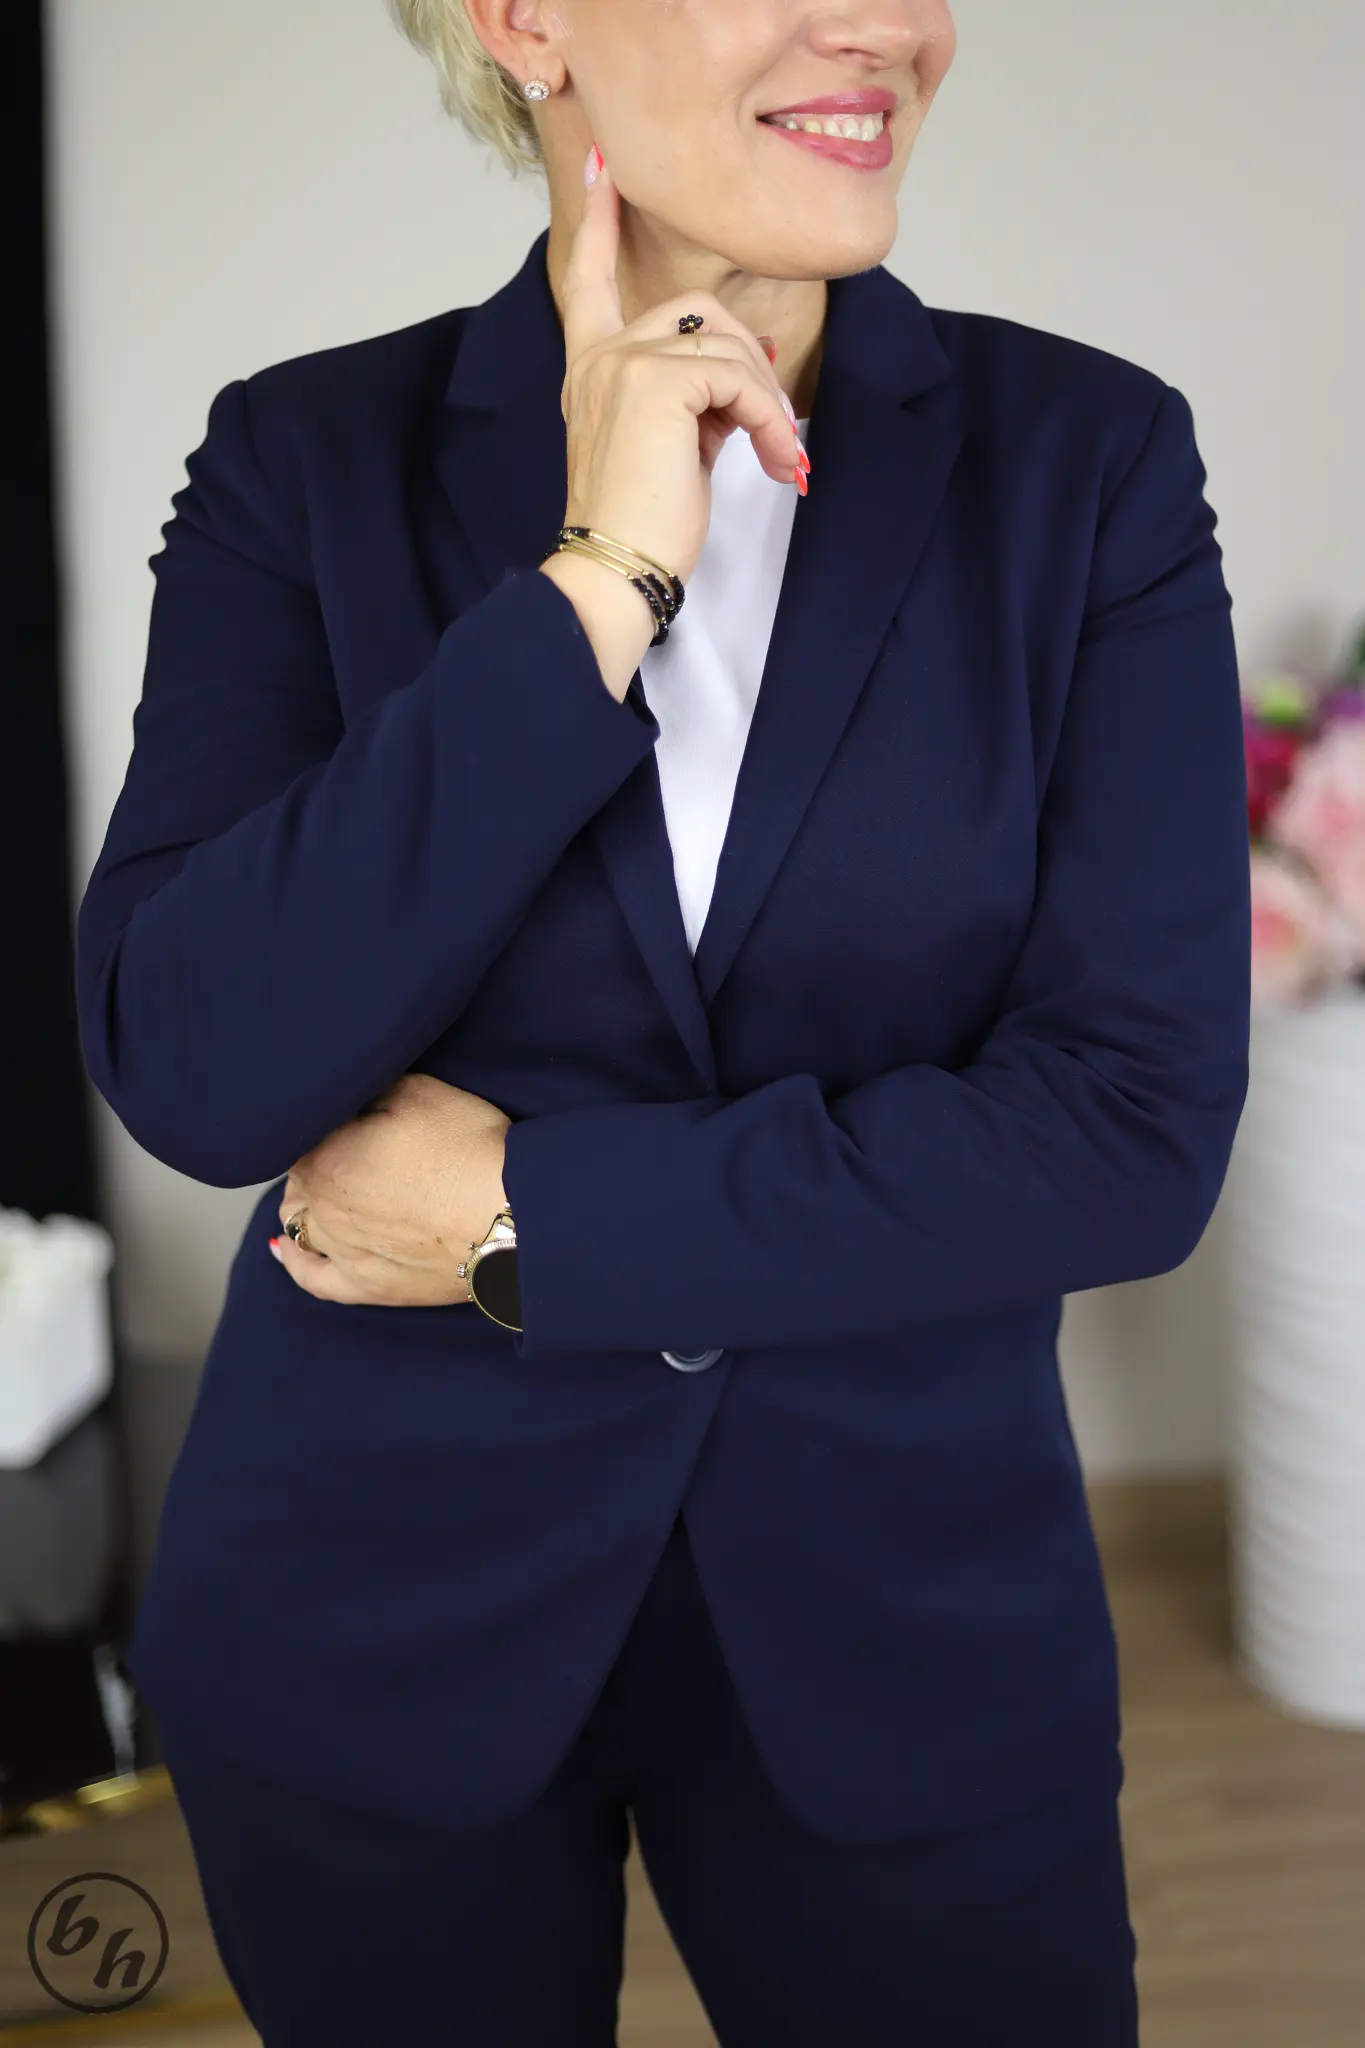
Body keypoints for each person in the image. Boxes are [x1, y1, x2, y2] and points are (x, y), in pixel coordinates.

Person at [74, 0, 1251, 2041]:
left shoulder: (1091, 463)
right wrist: (596, 581)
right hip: (373, 1627)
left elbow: (1127, 1131)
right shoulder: (303, 458)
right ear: (523, 18)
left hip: (907, 1631)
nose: (889, 25)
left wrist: (528, 1218)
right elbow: (193, 1064)